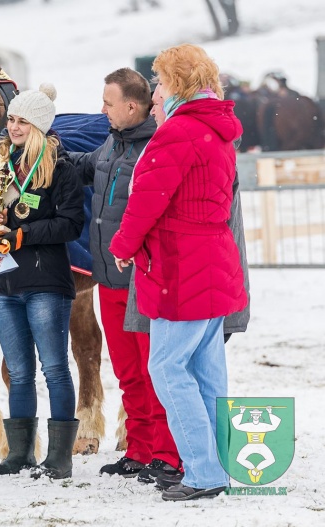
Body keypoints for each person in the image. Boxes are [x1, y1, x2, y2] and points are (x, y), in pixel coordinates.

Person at [110, 43, 248, 501]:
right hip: (213, 262)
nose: (155, 93)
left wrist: (124, 245)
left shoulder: (178, 132)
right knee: (207, 372)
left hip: (181, 267)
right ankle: (217, 465)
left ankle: (203, 472)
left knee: (167, 368)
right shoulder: (217, 131)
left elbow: (147, 200)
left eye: (161, 82)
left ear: (178, 84)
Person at [0, 83, 84, 479]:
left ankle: (59, 458)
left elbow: (71, 223)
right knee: (18, 372)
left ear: (40, 126)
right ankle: (19, 454)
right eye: (11, 120)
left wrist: (23, 235)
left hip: (45, 282)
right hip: (4, 284)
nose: (13, 128)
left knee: (54, 368)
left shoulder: (60, 167)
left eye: (23, 122)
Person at [69, 68, 182, 482]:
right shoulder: (111, 143)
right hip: (109, 279)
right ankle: (139, 448)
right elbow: (84, 166)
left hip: (143, 281)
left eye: (108, 103)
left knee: (154, 372)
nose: (102, 109)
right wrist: (46, 151)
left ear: (132, 107)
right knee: (128, 372)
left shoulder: (156, 146)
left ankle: (166, 454)